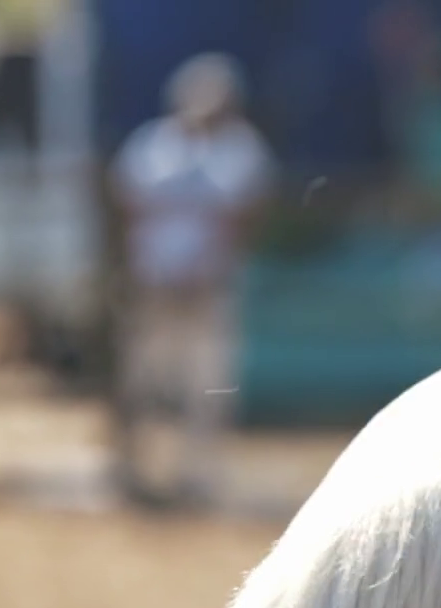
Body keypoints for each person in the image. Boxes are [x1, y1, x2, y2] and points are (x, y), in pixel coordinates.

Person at [111, 53, 273, 506]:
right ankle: (137, 469)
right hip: (155, 284)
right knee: (145, 378)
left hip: (209, 289)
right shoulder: (152, 145)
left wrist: (209, 267)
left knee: (209, 384)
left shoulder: (242, 149)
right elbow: (127, 207)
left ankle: (199, 474)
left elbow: (245, 218)